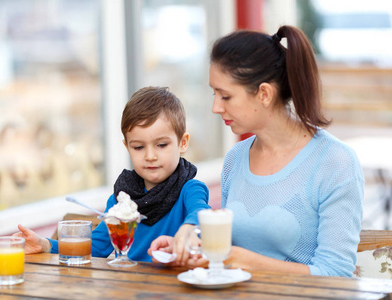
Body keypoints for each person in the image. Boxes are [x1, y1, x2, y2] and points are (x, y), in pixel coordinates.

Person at [149, 25, 364, 277]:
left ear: (264, 94)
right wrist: (189, 247)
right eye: (214, 93)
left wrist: (241, 260)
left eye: (225, 96)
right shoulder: (236, 158)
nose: (215, 107)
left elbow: (336, 274)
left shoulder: (335, 162)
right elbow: (228, 251)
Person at [14, 86, 210, 262]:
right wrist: (45, 244)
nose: (150, 156)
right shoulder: (122, 198)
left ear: (182, 143)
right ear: (127, 147)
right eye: (139, 147)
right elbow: (97, 247)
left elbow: (201, 214)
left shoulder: (190, 189)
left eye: (161, 145)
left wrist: (188, 229)